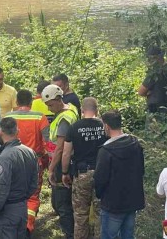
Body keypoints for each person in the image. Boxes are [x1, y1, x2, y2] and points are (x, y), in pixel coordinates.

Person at [93, 111, 145, 239]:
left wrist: (100, 195)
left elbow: (100, 179)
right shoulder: (135, 144)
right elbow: (141, 170)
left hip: (112, 204)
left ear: (106, 126)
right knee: (128, 235)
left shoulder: (105, 151)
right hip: (132, 201)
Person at [5, 89, 50, 236]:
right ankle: (28, 226)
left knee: (13, 192)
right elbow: (47, 142)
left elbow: (1, 137)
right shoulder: (40, 117)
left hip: (12, 159)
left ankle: (12, 224)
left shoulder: (9, 116)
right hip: (34, 160)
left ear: (17, 102)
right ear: (31, 102)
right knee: (32, 194)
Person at [61, 97, 107, 239]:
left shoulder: (74, 127)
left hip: (82, 174)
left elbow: (66, 153)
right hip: (102, 175)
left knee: (81, 216)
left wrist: (64, 172)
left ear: (82, 110)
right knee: (101, 214)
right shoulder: (105, 126)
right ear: (97, 110)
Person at [0, 117, 38, 239]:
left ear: (0, 131)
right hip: (22, 207)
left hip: (8, 211)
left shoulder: (4, 157)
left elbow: (0, 189)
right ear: (17, 131)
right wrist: (23, 198)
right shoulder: (30, 152)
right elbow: (34, 183)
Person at [42, 84, 79, 239]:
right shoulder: (71, 109)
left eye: (50, 105)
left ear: (58, 99)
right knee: (62, 202)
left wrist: (51, 169)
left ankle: (69, 234)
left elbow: (60, 148)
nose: (49, 109)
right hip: (68, 162)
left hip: (62, 164)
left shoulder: (64, 119)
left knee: (62, 204)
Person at [137, 46, 167, 121]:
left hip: (156, 111)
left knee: (154, 131)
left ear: (157, 58)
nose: (149, 61)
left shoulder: (155, 73)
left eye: (151, 58)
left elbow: (140, 92)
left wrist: (149, 92)